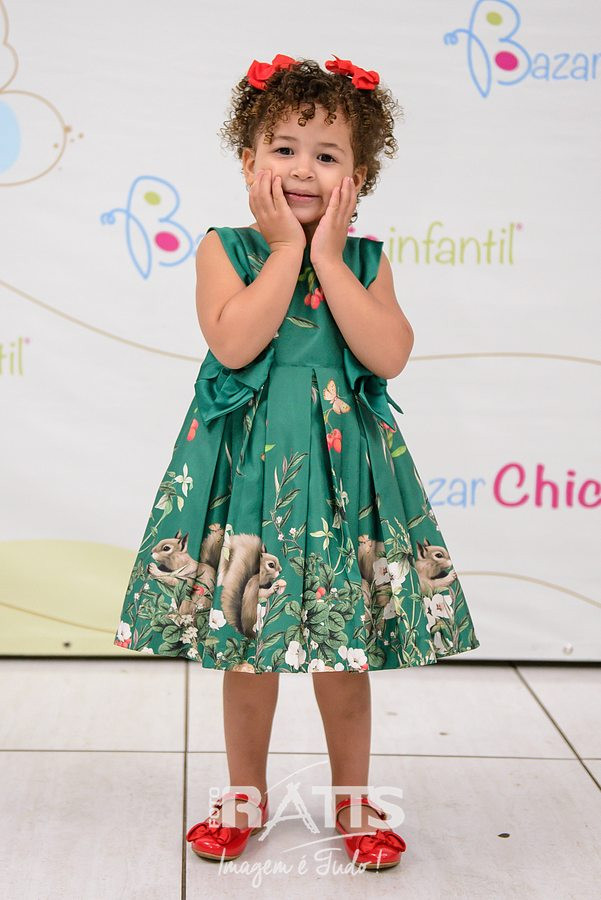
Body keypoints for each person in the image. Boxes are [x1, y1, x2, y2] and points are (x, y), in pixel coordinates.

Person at [113, 53, 481, 871]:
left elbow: (387, 355)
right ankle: (244, 796)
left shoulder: (366, 259)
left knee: (342, 653)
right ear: (249, 162)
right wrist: (286, 250)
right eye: (284, 149)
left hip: (344, 485)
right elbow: (234, 341)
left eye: (327, 155)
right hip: (250, 480)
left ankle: (352, 802)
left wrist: (327, 259)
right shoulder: (226, 249)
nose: (304, 169)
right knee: (248, 644)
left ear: (358, 178)